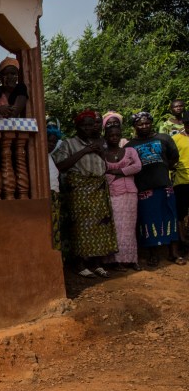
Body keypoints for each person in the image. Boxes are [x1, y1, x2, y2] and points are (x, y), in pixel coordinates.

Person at [52, 110, 119, 277]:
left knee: (100, 227)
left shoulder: (99, 143)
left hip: (99, 188)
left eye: (91, 125)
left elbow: (107, 164)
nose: (88, 128)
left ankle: (96, 264)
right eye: (84, 125)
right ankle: (80, 264)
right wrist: (85, 151)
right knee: (81, 227)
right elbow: (60, 166)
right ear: (77, 126)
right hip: (80, 190)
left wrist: (99, 152)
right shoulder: (69, 143)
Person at [126, 111, 185, 266]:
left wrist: (163, 169)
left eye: (147, 123)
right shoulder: (130, 146)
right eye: (140, 124)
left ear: (151, 123)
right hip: (144, 189)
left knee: (170, 217)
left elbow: (174, 157)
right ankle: (153, 254)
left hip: (165, 186)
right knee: (148, 220)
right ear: (134, 126)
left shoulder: (164, 138)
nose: (144, 126)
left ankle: (173, 253)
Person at [102, 123, 143, 270]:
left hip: (130, 193)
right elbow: (103, 174)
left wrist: (116, 172)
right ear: (106, 137)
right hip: (113, 193)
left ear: (120, 136)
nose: (114, 137)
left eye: (117, 135)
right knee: (117, 227)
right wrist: (124, 171)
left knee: (130, 227)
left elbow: (137, 167)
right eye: (111, 135)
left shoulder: (130, 151)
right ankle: (116, 260)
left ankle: (132, 259)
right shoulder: (102, 154)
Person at [171, 129, 189, 252]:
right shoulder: (175, 139)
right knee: (181, 213)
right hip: (181, 181)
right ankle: (182, 241)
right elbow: (170, 159)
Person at [46, 124, 64, 252]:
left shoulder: (50, 157)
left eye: (54, 142)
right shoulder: (38, 157)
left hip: (55, 196)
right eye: (49, 141)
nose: (52, 144)